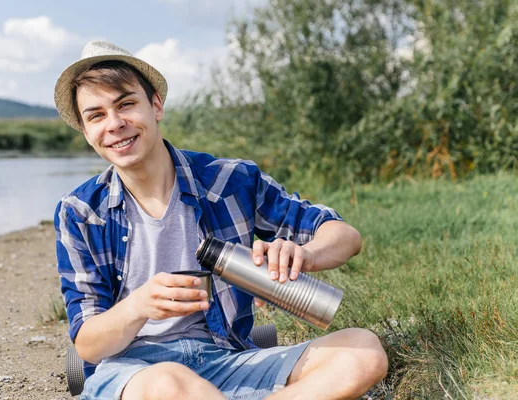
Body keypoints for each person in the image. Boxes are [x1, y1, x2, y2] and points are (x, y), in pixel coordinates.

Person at [54, 40, 388, 400]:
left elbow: (344, 235)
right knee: (169, 383)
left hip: (229, 361)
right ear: (86, 132)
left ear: (156, 105)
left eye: (126, 105)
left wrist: (305, 255)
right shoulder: (80, 212)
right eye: (97, 115)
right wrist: (138, 305)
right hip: (135, 374)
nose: (115, 124)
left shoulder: (230, 180)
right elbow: (88, 344)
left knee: (363, 351)